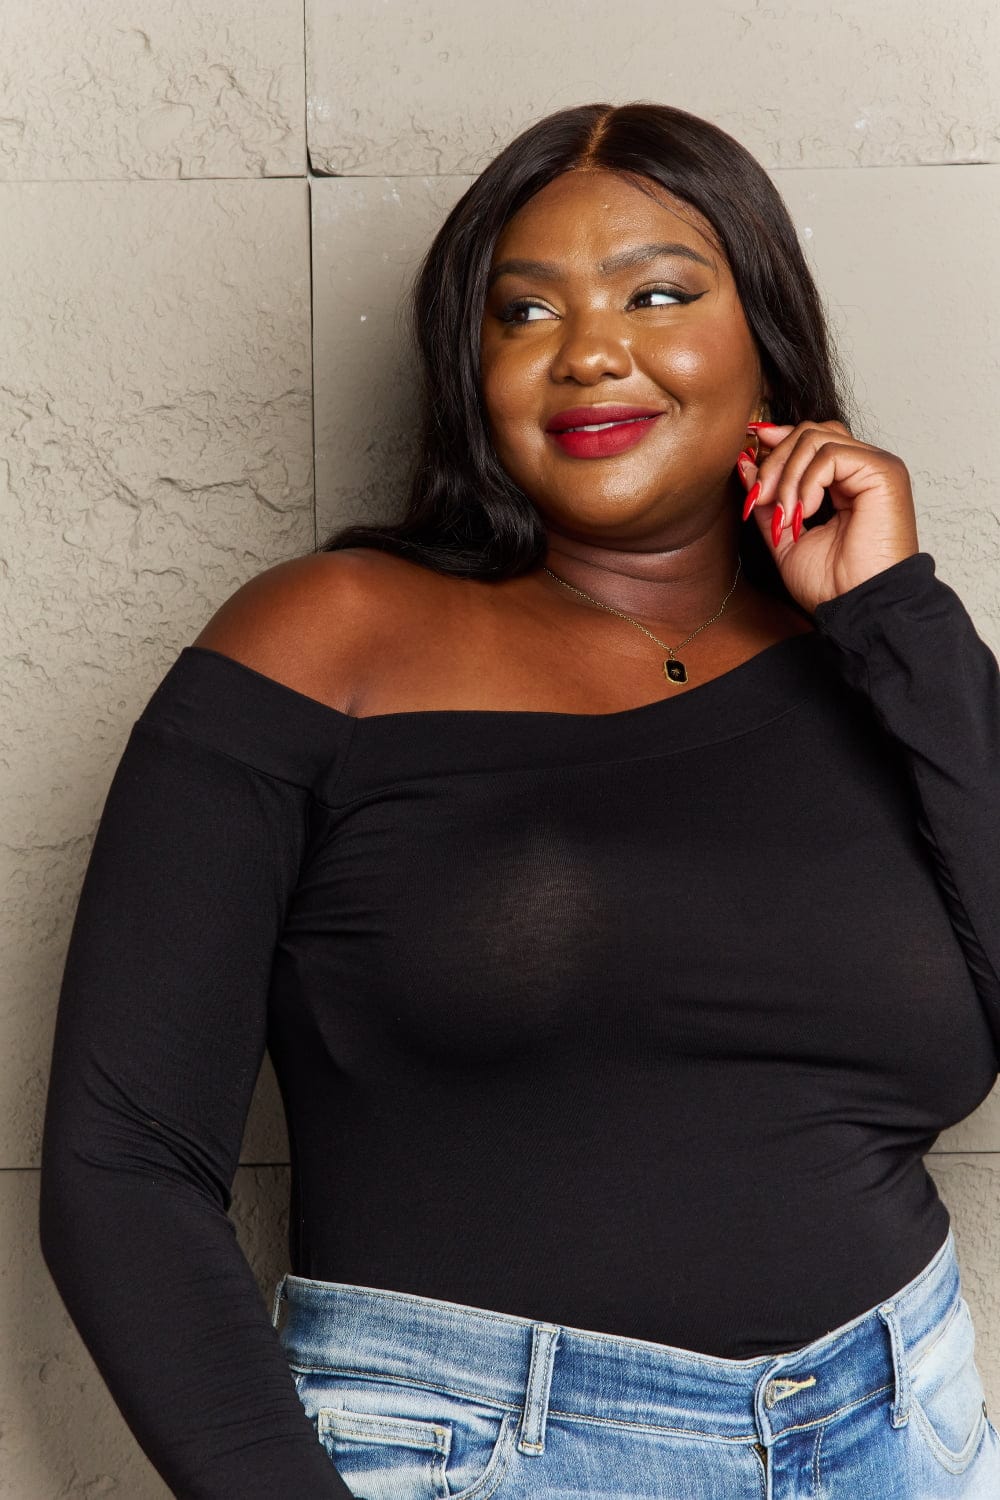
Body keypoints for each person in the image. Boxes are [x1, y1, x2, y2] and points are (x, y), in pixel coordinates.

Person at [38, 100, 1000, 1499]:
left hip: (902, 1428)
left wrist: (900, 615)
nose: (590, 350)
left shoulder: (875, 659)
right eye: (525, 311)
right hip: (477, 1455)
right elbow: (121, 1168)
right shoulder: (326, 640)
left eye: (658, 293)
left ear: (766, 337)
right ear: (470, 368)